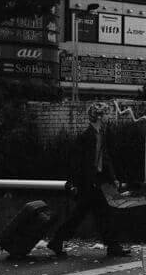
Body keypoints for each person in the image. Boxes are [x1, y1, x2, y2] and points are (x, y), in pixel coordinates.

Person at [47, 102, 132, 258]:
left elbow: (105, 158)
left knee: (88, 215)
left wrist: (112, 178)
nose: (108, 116)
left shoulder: (101, 134)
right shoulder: (87, 136)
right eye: (106, 114)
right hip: (89, 183)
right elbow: (79, 163)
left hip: (95, 181)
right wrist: (81, 183)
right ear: (99, 116)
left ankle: (57, 241)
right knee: (97, 215)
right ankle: (113, 247)